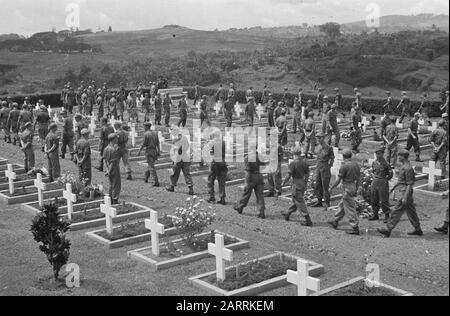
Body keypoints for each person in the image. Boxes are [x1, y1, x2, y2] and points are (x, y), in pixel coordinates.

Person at [378, 149, 423, 238]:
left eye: (400, 156)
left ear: (403, 157)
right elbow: (401, 181)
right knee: (411, 211)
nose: (398, 157)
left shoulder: (408, 168)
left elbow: (409, 184)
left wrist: (405, 197)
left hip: (405, 192)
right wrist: (393, 188)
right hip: (403, 190)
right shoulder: (404, 166)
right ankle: (418, 229)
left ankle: (388, 229)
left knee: (396, 210)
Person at [328, 148, 361, 235]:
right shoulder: (355, 165)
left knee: (349, 208)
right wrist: (357, 188)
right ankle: (336, 220)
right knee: (342, 205)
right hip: (353, 185)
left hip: (347, 187)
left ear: (343, 156)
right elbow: (359, 178)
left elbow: (338, 180)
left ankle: (355, 227)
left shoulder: (344, 166)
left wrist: (332, 187)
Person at [281, 145, 311, 226]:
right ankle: (288, 213)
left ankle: (308, 220)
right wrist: (305, 182)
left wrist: (283, 182)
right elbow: (307, 174)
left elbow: (289, 175)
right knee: (296, 200)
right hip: (302, 182)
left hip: (296, 183)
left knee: (299, 202)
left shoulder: (293, 163)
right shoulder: (305, 162)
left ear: (294, 153)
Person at [234, 148, 266, 219]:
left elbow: (247, 171)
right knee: (260, 195)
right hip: (260, 176)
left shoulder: (247, 157)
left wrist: (246, 182)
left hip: (251, 177)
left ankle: (240, 207)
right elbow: (263, 167)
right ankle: (261, 212)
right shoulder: (261, 156)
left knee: (246, 193)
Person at [166, 128, 194, 195]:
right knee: (187, 174)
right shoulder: (184, 138)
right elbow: (187, 147)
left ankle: (172, 186)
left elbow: (179, 150)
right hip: (185, 158)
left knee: (175, 173)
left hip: (178, 158)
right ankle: (191, 189)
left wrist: (175, 161)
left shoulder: (177, 138)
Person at [369, 147, 393, 223]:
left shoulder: (386, 163)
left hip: (383, 181)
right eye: (376, 153)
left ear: (382, 154)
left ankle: (387, 216)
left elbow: (390, 173)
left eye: (379, 153)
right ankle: (375, 214)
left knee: (384, 199)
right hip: (375, 181)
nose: (377, 155)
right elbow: (373, 171)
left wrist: (385, 179)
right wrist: (374, 177)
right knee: (374, 198)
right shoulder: (374, 162)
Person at [312, 132, 334, 209]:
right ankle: (319, 201)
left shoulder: (328, 147)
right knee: (317, 184)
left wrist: (329, 166)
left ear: (323, 137)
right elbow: (317, 156)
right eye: (317, 137)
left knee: (325, 185)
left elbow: (332, 157)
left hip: (325, 166)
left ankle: (327, 202)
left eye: (320, 137)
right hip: (318, 165)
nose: (318, 139)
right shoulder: (317, 146)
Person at [207, 131, 228, 205]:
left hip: (215, 162)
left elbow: (211, 153)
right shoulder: (223, 142)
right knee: (221, 181)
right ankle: (222, 198)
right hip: (222, 162)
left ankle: (211, 196)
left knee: (211, 180)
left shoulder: (212, 143)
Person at [138, 122, 160, 186]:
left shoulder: (146, 134)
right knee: (150, 165)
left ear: (147, 127)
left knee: (151, 166)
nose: (144, 128)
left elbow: (143, 144)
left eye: (144, 126)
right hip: (154, 150)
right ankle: (146, 178)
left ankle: (155, 181)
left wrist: (139, 151)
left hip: (149, 151)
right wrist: (158, 151)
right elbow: (158, 143)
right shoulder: (155, 133)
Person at [103, 133, 121, 204]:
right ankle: (115, 200)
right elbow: (112, 163)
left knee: (111, 184)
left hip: (109, 168)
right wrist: (109, 171)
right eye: (116, 138)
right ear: (113, 139)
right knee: (116, 185)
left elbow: (105, 160)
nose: (117, 139)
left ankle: (110, 199)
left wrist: (107, 169)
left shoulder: (106, 148)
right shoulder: (113, 150)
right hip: (114, 169)